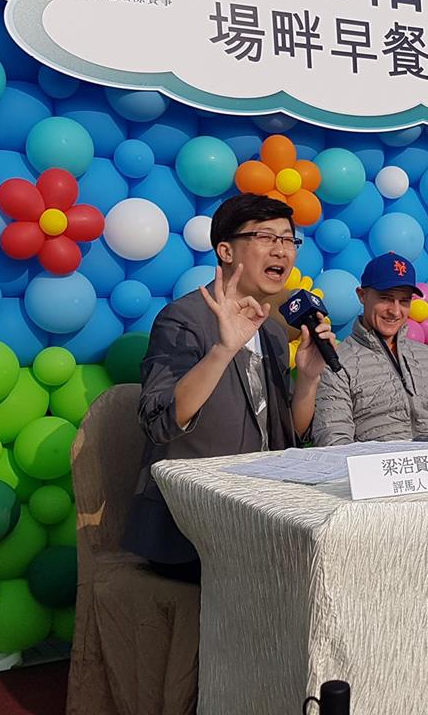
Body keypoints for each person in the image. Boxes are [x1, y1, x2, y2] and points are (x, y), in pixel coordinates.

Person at [123, 194, 336, 582]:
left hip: (260, 510)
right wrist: (223, 350)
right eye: (266, 237)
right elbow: (160, 423)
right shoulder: (182, 320)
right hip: (192, 524)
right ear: (225, 250)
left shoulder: (271, 329)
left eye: (289, 240)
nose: (282, 250)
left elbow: (290, 435)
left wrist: (308, 377)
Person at [310, 252, 428, 446]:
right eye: (386, 298)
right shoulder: (336, 363)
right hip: (378, 471)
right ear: (362, 295)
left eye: (404, 301)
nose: (395, 311)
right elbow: (334, 442)